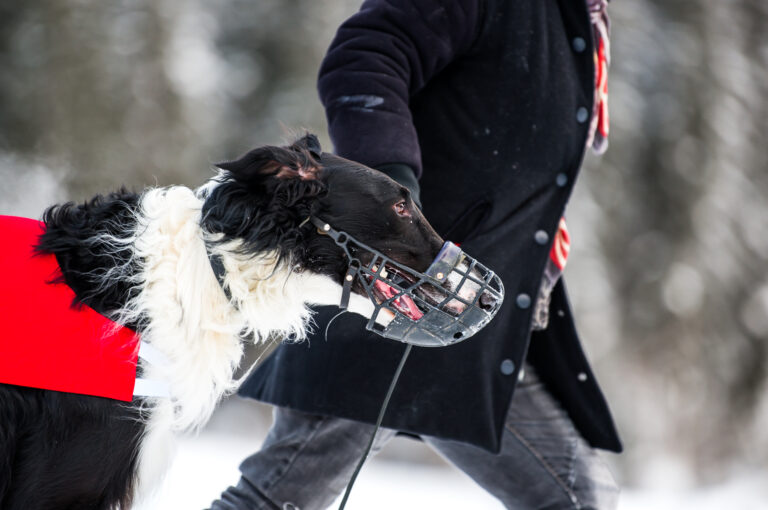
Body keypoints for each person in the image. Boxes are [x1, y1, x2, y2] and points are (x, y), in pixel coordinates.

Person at [210, 0, 621, 508]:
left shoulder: (577, 20)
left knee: (578, 498)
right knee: (273, 501)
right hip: (397, 304)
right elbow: (364, 57)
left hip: (480, 323)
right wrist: (392, 193)